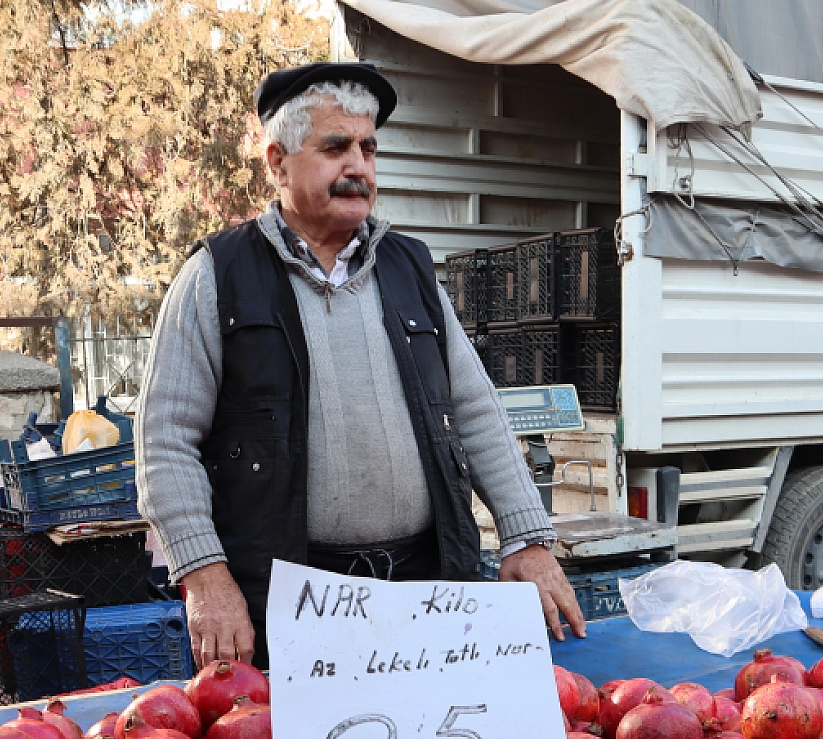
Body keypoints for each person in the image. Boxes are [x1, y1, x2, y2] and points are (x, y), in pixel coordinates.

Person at [136, 61, 586, 669]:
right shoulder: (218, 275)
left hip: (424, 588)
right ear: (278, 162)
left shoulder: (411, 268)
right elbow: (165, 440)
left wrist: (527, 537)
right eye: (335, 147)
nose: (358, 167)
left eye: (368, 149)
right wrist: (205, 577)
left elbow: (477, 412)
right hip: (288, 600)